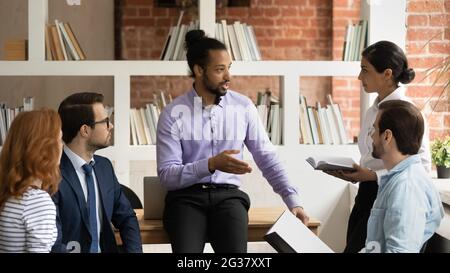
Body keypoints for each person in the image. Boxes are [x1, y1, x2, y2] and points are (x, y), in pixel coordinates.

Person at [157, 29, 309, 253]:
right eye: (220, 69)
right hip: (186, 199)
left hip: (228, 197)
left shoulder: (243, 106)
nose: (228, 76)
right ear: (199, 70)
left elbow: (266, 156)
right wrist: (210, 164)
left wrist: (292, 200)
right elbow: (168, 176)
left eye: (229, 68)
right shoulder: (172, 114)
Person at [325, 40, 432, 253]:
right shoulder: (372, 111)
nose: (359, 77)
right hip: (365, 194)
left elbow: (422, 165)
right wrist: (357, 173)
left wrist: (373, 176)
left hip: (390, 195)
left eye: (365, 70)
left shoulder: (407, 113)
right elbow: (370, 157)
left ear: (387, 74)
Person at [52, 92, 142, 253]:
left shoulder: (104, 167)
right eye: (106, 121)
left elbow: (127, 217)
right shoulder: (52, 174)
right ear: (85, 130)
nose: (111, 126)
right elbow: (53, 241)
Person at [361, 100, 443, 253]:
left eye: (374, 129)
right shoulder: (398, 179)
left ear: (387, 136)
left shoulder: (406, 187)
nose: (371, 136)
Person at [0, 109, 62, 252]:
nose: (61, 146)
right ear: (45, 149)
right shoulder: (37, 202)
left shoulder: (9, 193)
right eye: (59, 140)